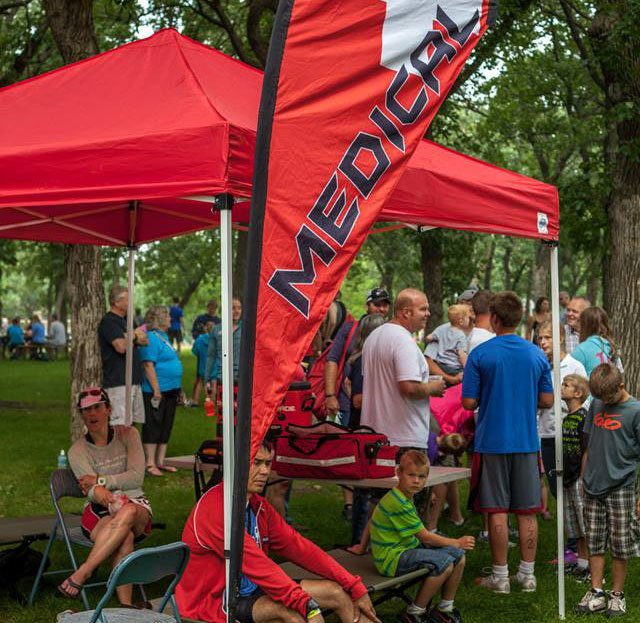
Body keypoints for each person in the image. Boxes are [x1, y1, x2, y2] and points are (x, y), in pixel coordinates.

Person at [176, 442, 380, 623]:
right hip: (213, 603)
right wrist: (305, 604)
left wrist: (352, 584)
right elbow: (259, 566)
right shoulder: (215, 510)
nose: (265, 471)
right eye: (257, 463)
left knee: (337, 593)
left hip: (252, 589)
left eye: (268, 463)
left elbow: (301, 548)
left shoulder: (258, 506)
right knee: (291, 613)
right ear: (235, 465)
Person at [462, 291, 553, 594]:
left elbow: (468, 402)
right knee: (528, 510)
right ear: (518, 318)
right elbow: (548, 399)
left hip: (492, 441)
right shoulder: (536, 354)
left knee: (497, 509)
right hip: (526, 441)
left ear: (494, 318)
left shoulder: (480, 354)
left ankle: (500, 577)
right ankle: (527, 575)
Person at [58, 387, 152, 606]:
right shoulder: (77, 451)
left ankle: (84, 571)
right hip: (98, 511)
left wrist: (101, 481)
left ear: (108, 409)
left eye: (97, 407)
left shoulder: (129, 434)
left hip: (135, 503)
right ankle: (126, 606)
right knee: (125, 537)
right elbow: (89, 489)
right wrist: (99, 490)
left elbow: (136, 478)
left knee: (128, 510)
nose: (92, 414)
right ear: (81, 414)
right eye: (86, 410)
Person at [370, 450, 474, 623]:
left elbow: (372, 521)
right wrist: (457, 542)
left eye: (421, 476)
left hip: (407, 548)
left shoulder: (404, 496)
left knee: (459, 557)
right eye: (411, 475)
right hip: (391, 558)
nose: (416, 481)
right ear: (398, 473)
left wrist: (361, 546)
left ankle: (445, 608)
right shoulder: (397, 502)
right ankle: (414, 612)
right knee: (445, 564)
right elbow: (426, 537)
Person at [575, 364, 640, 617]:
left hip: (621, 486)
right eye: (600, 397)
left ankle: (617, 594)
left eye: (608, 397)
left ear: (621, 386)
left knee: (620, 543)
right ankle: (596, 592)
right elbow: (589, 445)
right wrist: (583, 478)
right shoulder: (597, 404)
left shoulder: (635, 411)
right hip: (593, 485)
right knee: (595, 540)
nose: (604, 402)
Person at [536, 320, 586, 515]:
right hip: (546, 434)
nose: (543, 342)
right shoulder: (540, 366)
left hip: (570, 437)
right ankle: (568, 529)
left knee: (573, 487)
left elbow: (586, 402)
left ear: (561, 338)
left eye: (548, 337)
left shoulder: (574, 366)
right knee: (556, 489)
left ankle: (579, 532)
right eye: (540, 338)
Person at [325, 288, 391, 426]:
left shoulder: (391, 332)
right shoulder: (350, 329)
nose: (381, 309)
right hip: (347, 404)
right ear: (367, 306)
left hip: (380, 407)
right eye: (377, 305)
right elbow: (332, 360)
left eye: (385, 305)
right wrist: (330, 396)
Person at [139, 305, 183, 476]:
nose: (170, 319)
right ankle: (150, 463)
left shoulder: (163, 336)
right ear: (159, 319)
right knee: (153, 425)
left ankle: (161, 461)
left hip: (171, 390)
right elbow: (148, 365)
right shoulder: (151, 337)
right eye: (167, 316)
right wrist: (156, 390)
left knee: (166, 424)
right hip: (156, 391)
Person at [98, 285, 148, 427]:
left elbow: (145, 340)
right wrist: (134, 336)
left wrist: (129, 336)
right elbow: (121, 347)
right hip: (119, 382)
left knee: (132, 425)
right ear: (116, 302)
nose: (131, 302)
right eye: (127, 299)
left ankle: (130, 444)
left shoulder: (128, 320)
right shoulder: (109, 321)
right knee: (120, 425)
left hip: (134, 380)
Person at [559, 374, 591, 581]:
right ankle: (582, 564)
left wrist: (582, 476)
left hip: (579, 479)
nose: (562, 387)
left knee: (584, 523)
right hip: (567, 478)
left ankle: (592, 567)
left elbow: (586, 449)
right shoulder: (566, 419)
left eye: (566, 385)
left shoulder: (583, 417)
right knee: (575, 525)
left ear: (578, 393)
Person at [344, 313, 386, 429]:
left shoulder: (372, 358)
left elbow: (347, 382)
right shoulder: (363, 360)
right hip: (362, 429)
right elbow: (358, 401)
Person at [204, 297, 242, 406]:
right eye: (233, 308)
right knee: (223, 411)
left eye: (239, 308)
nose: (237, 311)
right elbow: (211, 356)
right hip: (222, 378)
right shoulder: (216, 329)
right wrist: (207, 379)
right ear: (226, 309)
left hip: (242, 378)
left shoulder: (246, 328)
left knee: (240, 412)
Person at [572, 306, 622, 377]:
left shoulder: (581, 349)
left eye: (580, 322)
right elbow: (619, 374)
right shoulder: (611, 346)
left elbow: (569, 375)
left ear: (585, 326)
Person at [425, 304, 471, 379]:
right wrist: (467, 369)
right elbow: (461, 354)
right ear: (461, 321)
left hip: (440, 365)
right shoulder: (461, 336)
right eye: (468, 318)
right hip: (453, 368)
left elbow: (429, 337)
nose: (469, 320)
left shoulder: (441, 330)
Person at [187, 320, 213, 408]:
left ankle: (196, 401)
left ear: (206, 328)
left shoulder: (200, 339)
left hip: (202, 365)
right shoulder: (217, 339)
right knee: (213, 383)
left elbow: (194, 351)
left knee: (200, 382)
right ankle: (212, 402)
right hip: (214, 366)